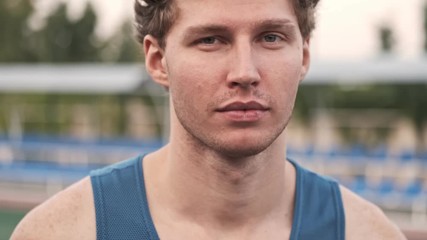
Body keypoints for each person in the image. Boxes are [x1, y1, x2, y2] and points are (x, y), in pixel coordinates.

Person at [12, 0, 406, 239]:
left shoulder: (367, 234)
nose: (244, 71)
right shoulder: (63, 232)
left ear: (303, 55)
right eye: (210, 40)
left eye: (270, 37)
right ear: (158, 60)